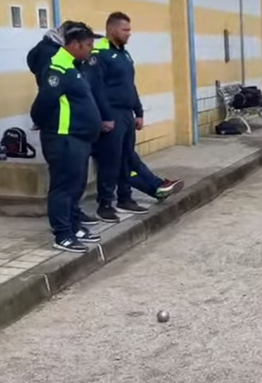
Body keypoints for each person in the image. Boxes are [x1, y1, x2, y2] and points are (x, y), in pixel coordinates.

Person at [91, 12, 183, 222]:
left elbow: (130, 86)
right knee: (110, 160)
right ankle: (105, 203)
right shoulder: (100, 54)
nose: (129, 34)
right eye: (125, 30)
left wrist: (138, 112)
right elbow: (97, 89)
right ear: (112, 29)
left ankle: (125, 198)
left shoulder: (124, 54)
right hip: (111, 113)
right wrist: (105, 116)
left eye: (129, 30)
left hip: (126, 113)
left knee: (126, 157)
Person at [30, 22, 102, 253]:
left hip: (79, 138)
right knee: (63, 187)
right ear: (74, 45)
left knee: (76, 185)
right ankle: (62, 234)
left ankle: (74, 225)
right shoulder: (57, 68)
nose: (91, 49)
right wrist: (47, 127)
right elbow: (42, 105)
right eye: (89, 45)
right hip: (63, 139)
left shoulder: (73, 65)